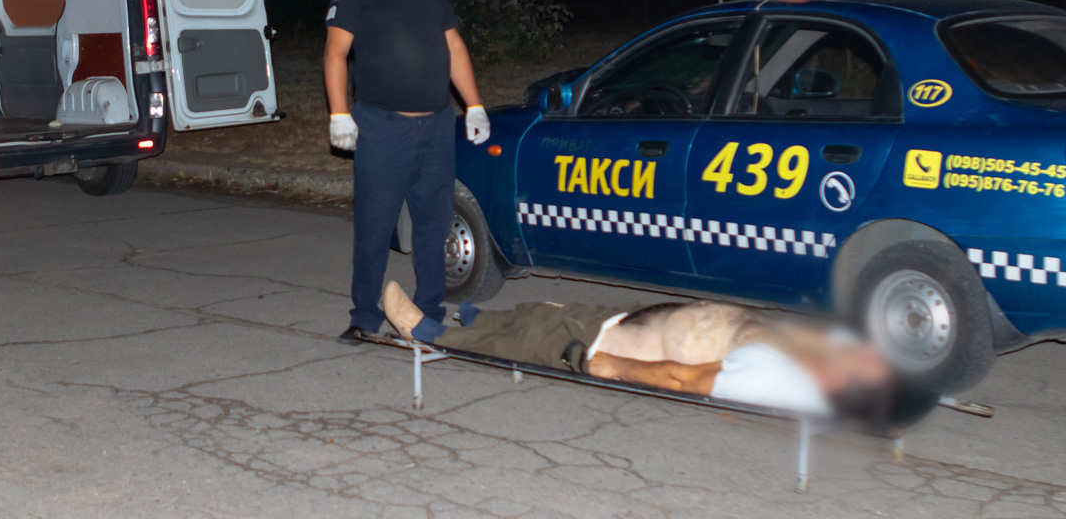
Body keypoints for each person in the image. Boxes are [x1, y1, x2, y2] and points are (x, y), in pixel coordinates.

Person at [325, 0, 490, 341]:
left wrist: (474, 104)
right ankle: (364, 316)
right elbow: (336, 52)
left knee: (434, 225)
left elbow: (453, 46)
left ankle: (428, 313)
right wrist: (339, 113)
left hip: (436, 126)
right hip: (383, 127)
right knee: (375, 228)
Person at [381, 281, 899, 419]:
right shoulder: (818, 357)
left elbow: (684, 380)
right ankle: (480, 317)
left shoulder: (773, 379)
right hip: (638, 317)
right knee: (546, 309)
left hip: (621, 344)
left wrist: (612, 366)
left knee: (536, 337)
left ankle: (427, 333)